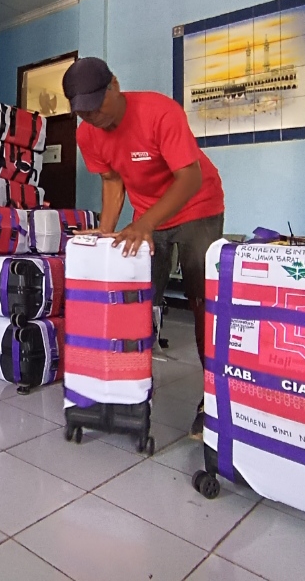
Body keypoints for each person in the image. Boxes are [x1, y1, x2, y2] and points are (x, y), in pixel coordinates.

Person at [63, 57, 225, 436]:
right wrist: (105, 233)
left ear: (115, 86)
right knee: (131, 297)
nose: (94, 117)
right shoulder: (88, 133)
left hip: (197, 205)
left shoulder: (159, 112)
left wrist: (144, 224)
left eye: (97, 106)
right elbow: (112, 180)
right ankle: (123, 390)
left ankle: (212, 399)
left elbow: (189, 177)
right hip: (148, 215)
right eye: (83, 112)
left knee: (204, 300)